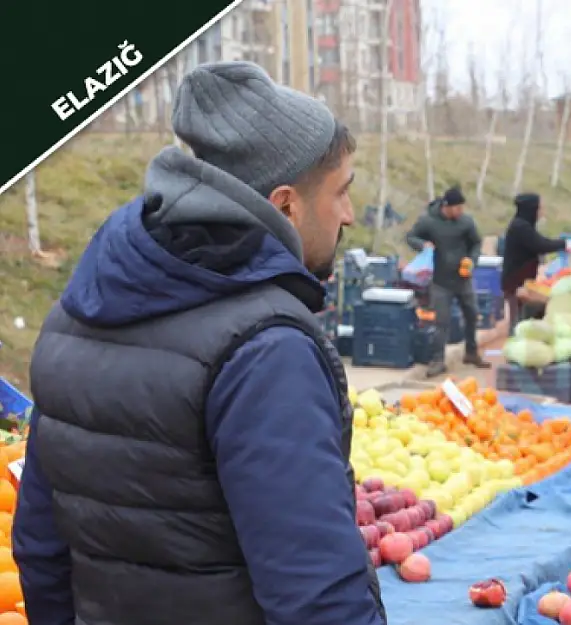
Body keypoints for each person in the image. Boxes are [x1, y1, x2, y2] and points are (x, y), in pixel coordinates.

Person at [13, 62, 386, 625]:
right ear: (285, 204)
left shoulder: (73, 316)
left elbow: (41, 546)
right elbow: (317, 597)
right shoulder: (267, 350)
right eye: (341, 192)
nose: (349, 216)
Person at [406, 186, 490, 376]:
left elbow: (476, 243)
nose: (461, 212)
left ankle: (471, 352)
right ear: (447, 206)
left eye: (462, 208)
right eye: (457, 208)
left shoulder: (466, 223)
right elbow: (411, 236)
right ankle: (437, 360)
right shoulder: (429, 222)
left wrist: (472, 260)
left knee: (471, 314)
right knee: (441, 322)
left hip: (463, 279)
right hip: (440, 281)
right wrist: (422, 244)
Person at [501, 192, 571, 331]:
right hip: (516, 283)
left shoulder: (524, 225)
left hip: (522, 281)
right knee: (518, 322)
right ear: (531, 209)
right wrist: (565, 244)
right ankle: (514, 348)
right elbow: (540, 245)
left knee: (522, 319)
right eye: (539, 208)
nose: (541, 212)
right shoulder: (520, 227)